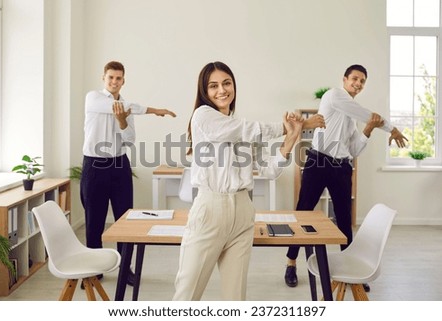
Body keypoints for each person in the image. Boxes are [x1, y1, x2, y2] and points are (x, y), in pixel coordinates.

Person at [172, 61, 325, 301]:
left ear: (234, 86)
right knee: (187, 295)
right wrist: (293, 125)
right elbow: (247, 129)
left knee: (235, 299)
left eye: (226, 83)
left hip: (243, 212)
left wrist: (292, 137)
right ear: (204, 91)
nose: (222, 90)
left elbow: (269, 170)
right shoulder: (203, 117)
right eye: (213, 86)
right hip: (210, 209)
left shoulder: (240, 128)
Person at [284, 64, 408, 291]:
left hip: (341, 167)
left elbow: (354, 150)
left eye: (362, 81)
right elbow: (365, 114)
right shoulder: (334, 96)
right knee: (303, 211)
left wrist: (368, 129)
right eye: (355, 79)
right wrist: (391, 128)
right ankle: (291, 262)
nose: (358, 84)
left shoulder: (351, 118)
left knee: (344, 217)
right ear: (344, 79)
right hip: (318, 161)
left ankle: (351, 268)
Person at [80, 61, 176, 287]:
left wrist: (122, 122)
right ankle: (93, 271)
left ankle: (125, 269)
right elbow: (121, 107)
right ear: (103, 78)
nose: (114, 82)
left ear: (124, 81)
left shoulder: (126, 107)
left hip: (119, 165)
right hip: (95, 166)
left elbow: (130, 139)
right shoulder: (93, 98)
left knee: (125, 219)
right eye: (110, 77)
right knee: (94, 220)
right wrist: (154, 110)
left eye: (119, 78)